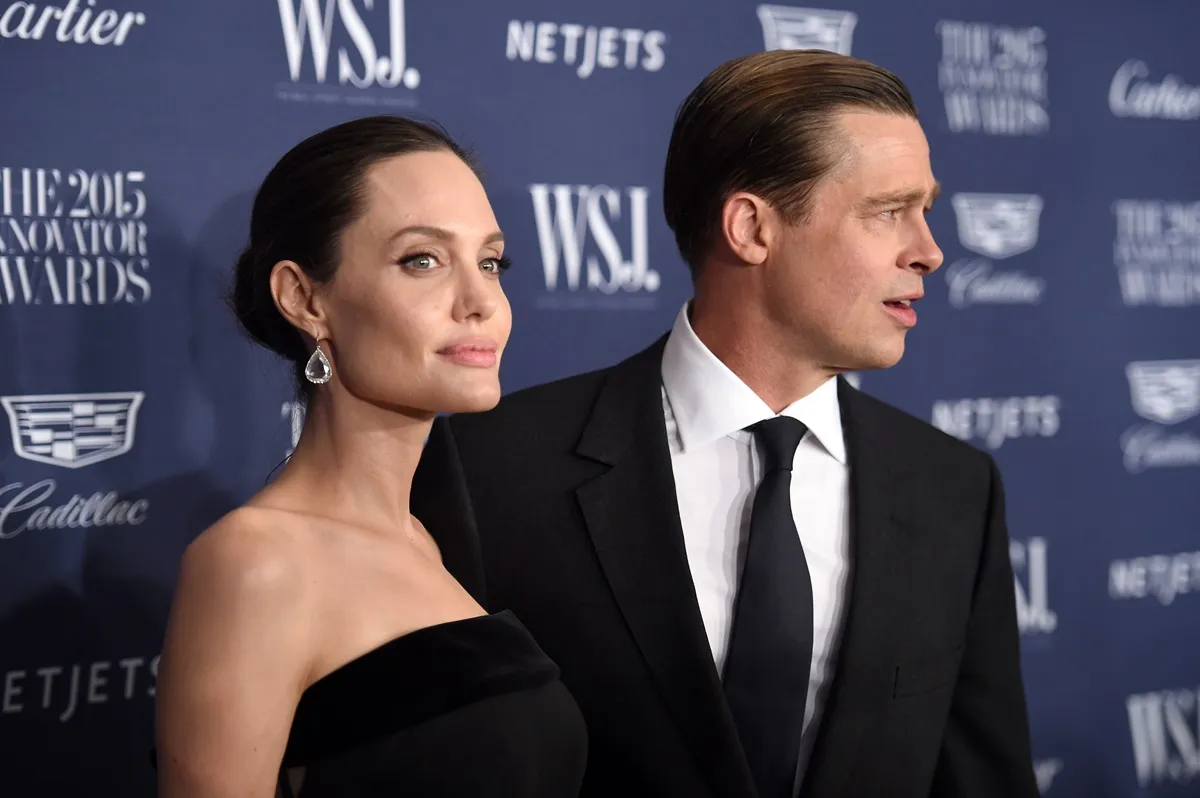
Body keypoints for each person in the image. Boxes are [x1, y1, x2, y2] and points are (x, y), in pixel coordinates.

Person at [412, 50, 1040, 798]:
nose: (930, 251)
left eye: (926, 209)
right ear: (750, 227)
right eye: (888, 212)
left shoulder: (954, 490)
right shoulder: (495, 468)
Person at [153, 116, 586, 798]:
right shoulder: (256, 562)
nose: (480, 304)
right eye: (422, 260)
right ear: (305, 298)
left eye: (490, 262)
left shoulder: (425, 537)